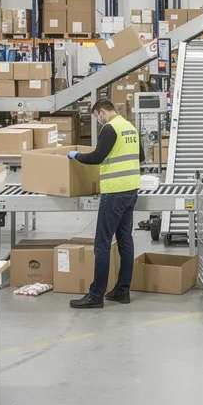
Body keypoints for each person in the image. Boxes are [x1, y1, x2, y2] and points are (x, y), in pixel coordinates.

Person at [66, 100, 144, 309]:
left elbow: (97, 157)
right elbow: (141, 157)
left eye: (97, 117)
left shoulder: (111, 128)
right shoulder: (130, 127)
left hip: (114, 191)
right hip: (131, 189)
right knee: (125, 240)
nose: (99, 121)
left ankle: (96, 295)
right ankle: (122, 290)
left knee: (102, 243)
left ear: (102, 112)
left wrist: (76, 156)